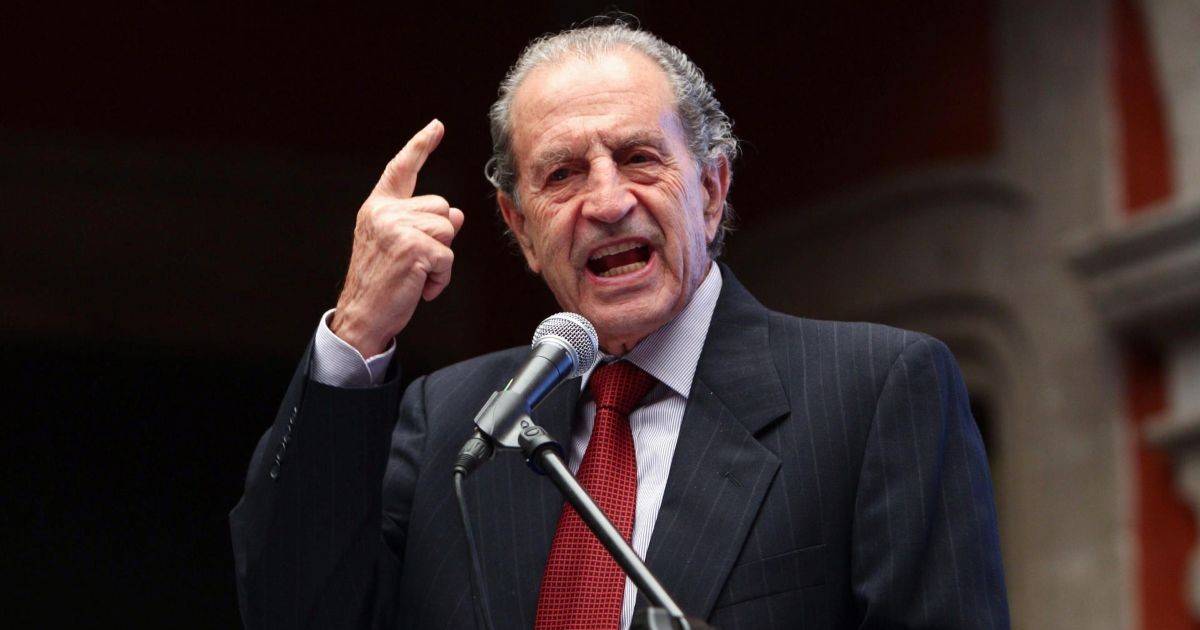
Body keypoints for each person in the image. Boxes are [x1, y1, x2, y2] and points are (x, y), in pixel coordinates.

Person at [230, 22, 1009, 630]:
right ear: (520, 227)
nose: (606, 203)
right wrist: (359, 327)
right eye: (562, 174)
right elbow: (291, 612)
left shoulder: (872, 394)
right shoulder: (453, 422)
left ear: (711, 189)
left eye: (638, 157)